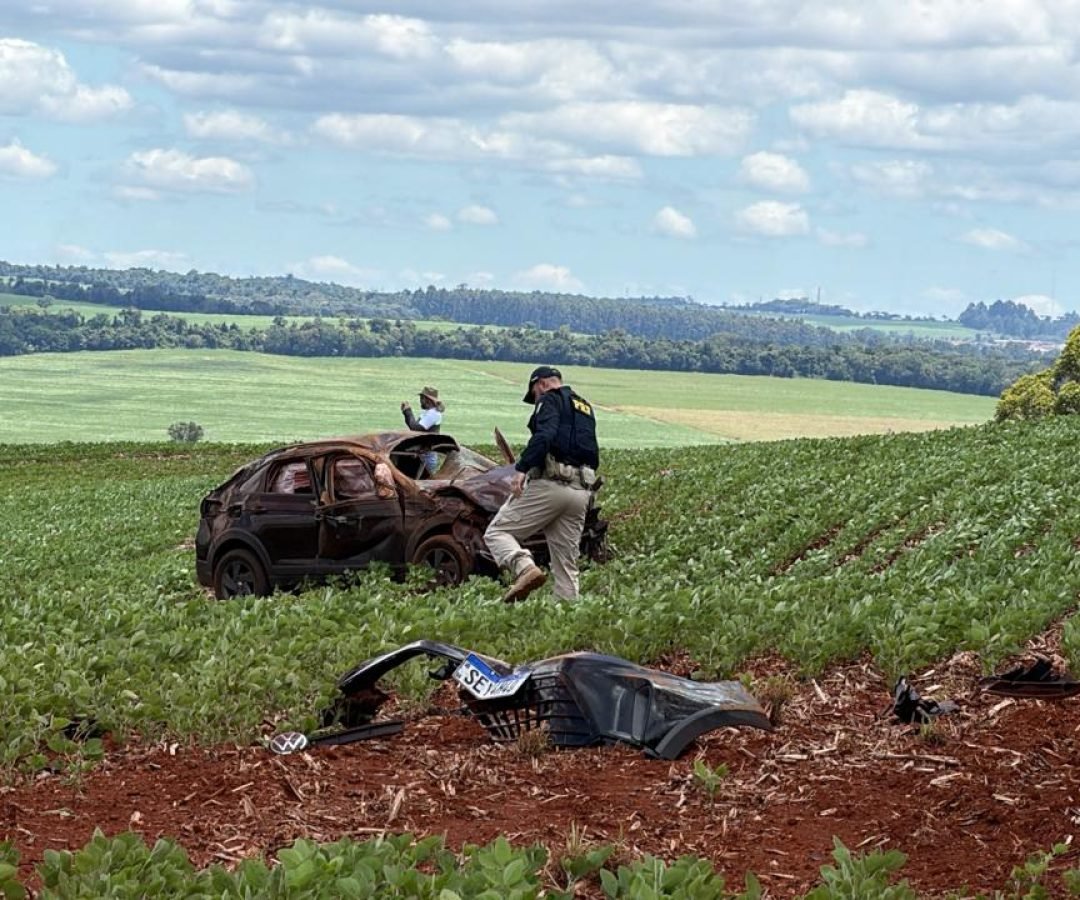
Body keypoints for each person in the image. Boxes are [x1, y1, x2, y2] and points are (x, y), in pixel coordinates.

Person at [484, 366, 600, 603]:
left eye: (534, 393)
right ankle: (567, 619)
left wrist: (521, 468)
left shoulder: (549, 400)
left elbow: (545, 435)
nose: (536, 398)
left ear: (542, 384)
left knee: (497, 532)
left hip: (551, 485)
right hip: (581, 492)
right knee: (566, 565)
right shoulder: (585, 407)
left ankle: (525, 568)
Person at [401, 386, 444, 476]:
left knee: (430, 480)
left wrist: (408, 411)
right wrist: (406, 413)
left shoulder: (433, 414)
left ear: (427, 400)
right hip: (423, 453)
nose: (420, 400)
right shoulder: (427, 412)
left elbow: (416, 428)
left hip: (427, 454)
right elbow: (413, 426)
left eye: (421, 398)